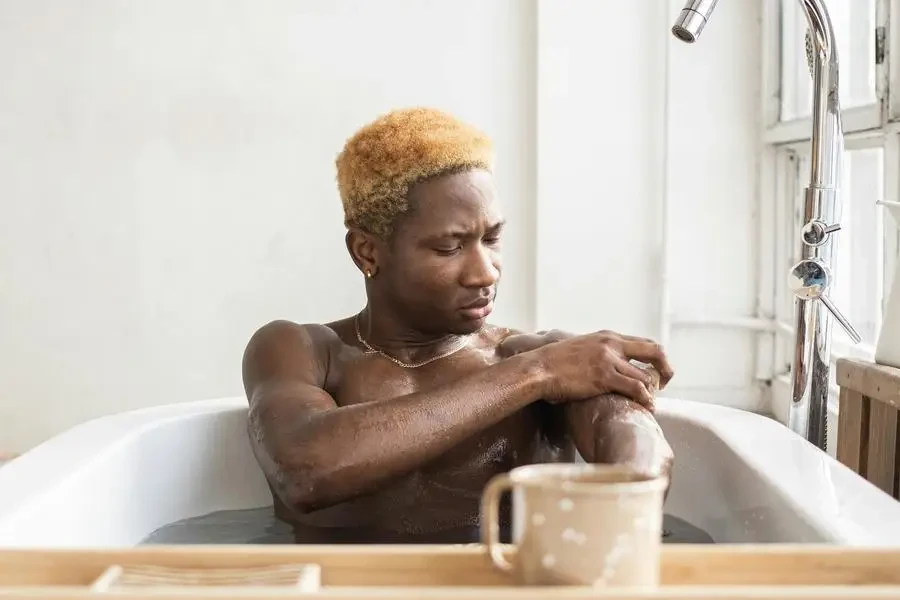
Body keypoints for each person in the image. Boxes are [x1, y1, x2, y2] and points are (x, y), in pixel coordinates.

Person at [242, 107, 675, 544]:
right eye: (450, 247)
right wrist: (534, 375)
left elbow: (640, 456)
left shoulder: (529, 353)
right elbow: (304, 470)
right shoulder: (303, 350)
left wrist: (626, 455)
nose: (485, 273)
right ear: (367, 252)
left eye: (492, 239)